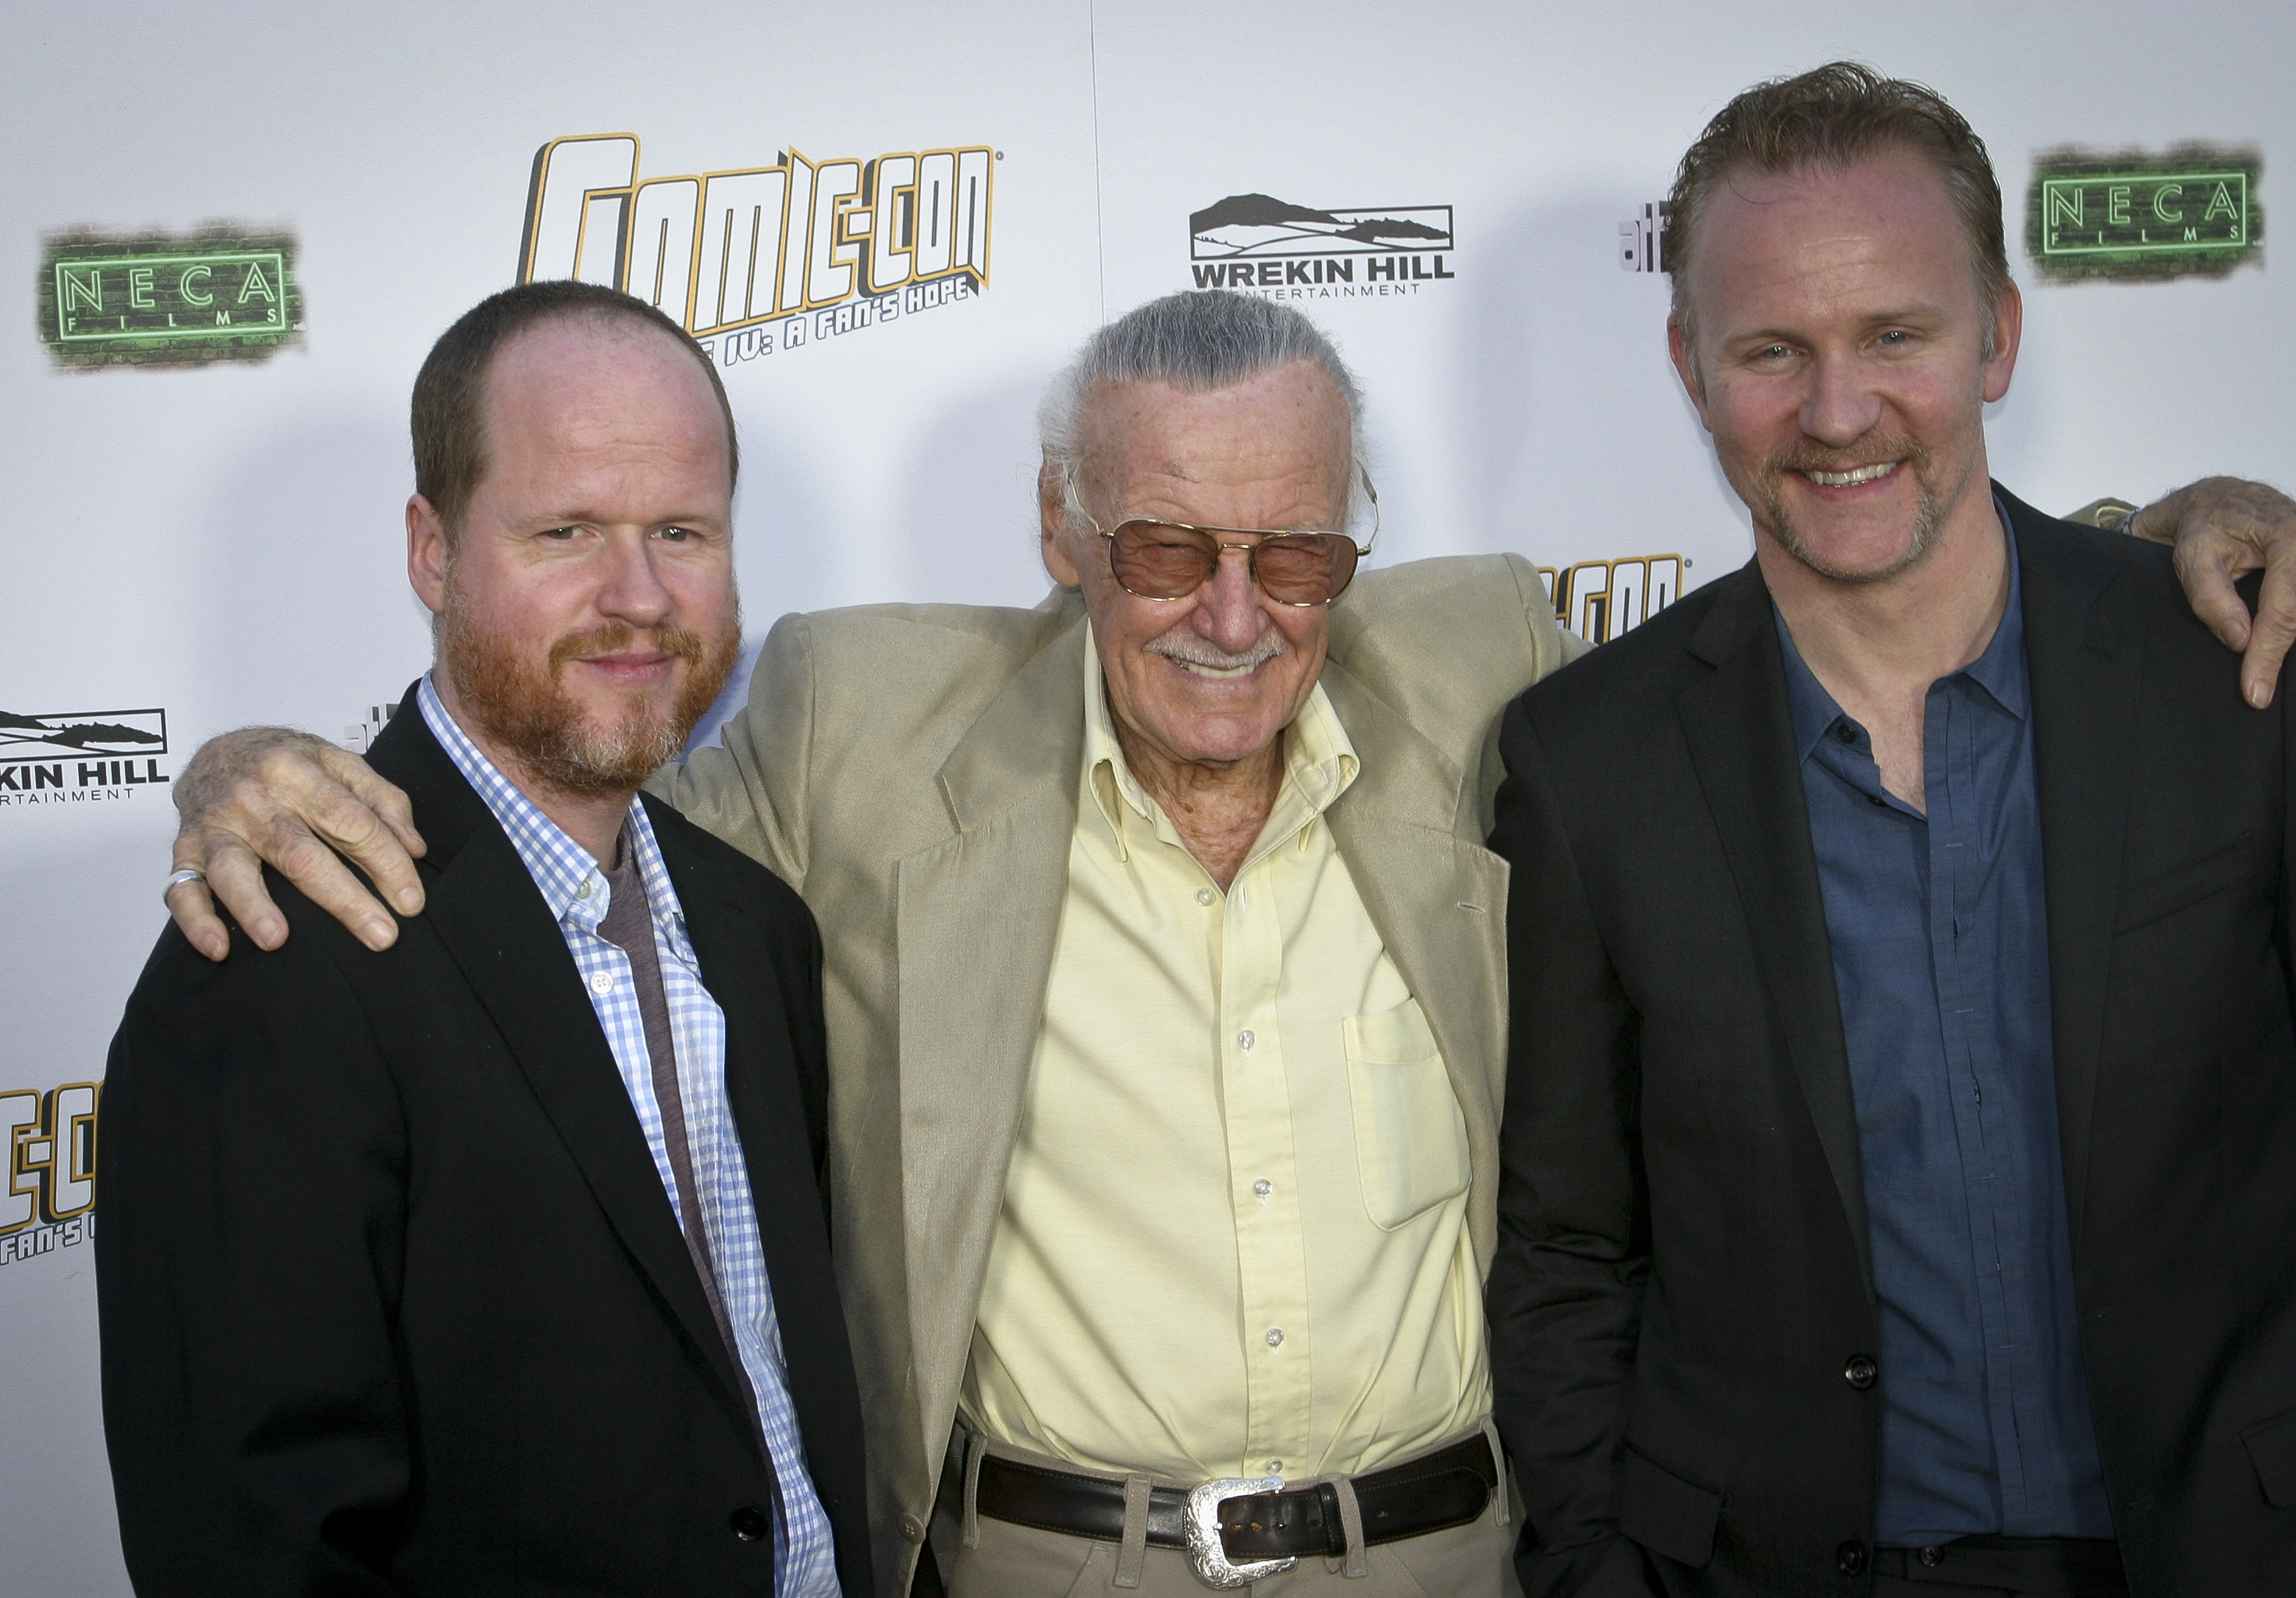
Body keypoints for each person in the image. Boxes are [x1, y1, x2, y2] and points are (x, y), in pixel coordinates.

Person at [154, 289, 2291, 1598]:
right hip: (1049, 1568)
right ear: (1061, 533)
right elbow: (554, 808)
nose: (1237, 614)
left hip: (1458, 1559)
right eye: (1166, 545)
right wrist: (256, 766)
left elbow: (1817, 623)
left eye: (1299, 551)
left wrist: (2162, 538)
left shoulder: (1487, 662)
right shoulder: (852, 719)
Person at [1487, 63, 2296, 1598]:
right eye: (1772, 350)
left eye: (1895, 336)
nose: (1838, 412)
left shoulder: (2232, 670)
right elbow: (1570, 1251)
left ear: (1998, 335)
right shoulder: (1589, 761)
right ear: (1690, 366)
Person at [96, 282, 870, 1596]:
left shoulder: (759, 929)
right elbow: (252, 1541)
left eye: (682, 531)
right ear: (432, 550)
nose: (639, 596)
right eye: (566, 531)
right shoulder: (275, 958)